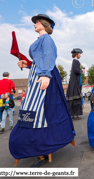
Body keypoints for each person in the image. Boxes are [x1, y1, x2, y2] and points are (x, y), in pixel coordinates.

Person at [10, 14, 76, 167]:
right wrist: (26, 64)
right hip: (36, 75)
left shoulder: (46, 39)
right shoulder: (38, 40)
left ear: (44, 25)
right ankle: (39, 148)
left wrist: (46, 74)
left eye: (37, 22)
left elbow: (48, 56)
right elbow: (37, 61)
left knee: (42, 109)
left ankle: (43, 149)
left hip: (44, 76)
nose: (35, 24)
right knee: (35, 109)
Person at [66, 48, 83, 120]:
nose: (80, 55)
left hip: (74, 83)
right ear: (77, 54)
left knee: (73, 99)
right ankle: (75, 114)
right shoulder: (76, 61)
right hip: (75, 84)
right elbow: (76, 70)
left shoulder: (74, 61)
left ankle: (73, 114)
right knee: (76, 99)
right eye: (80, 54)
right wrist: (81, 71)